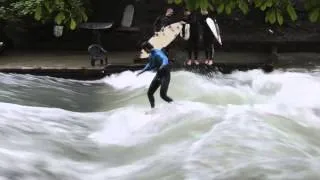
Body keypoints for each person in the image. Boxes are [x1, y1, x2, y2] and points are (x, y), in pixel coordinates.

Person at [137, 42, 173, 108]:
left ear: (147, 48)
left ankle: (175, 105)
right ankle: (153, 109)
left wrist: (163, 64)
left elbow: (165, 58)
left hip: (165, 75)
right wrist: (142, 71)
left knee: (163, 95)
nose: (145, 51)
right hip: (158, 75)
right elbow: (150, 65)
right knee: (149, 93)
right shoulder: (151, 55)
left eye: (144, 50)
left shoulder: (157, 53)